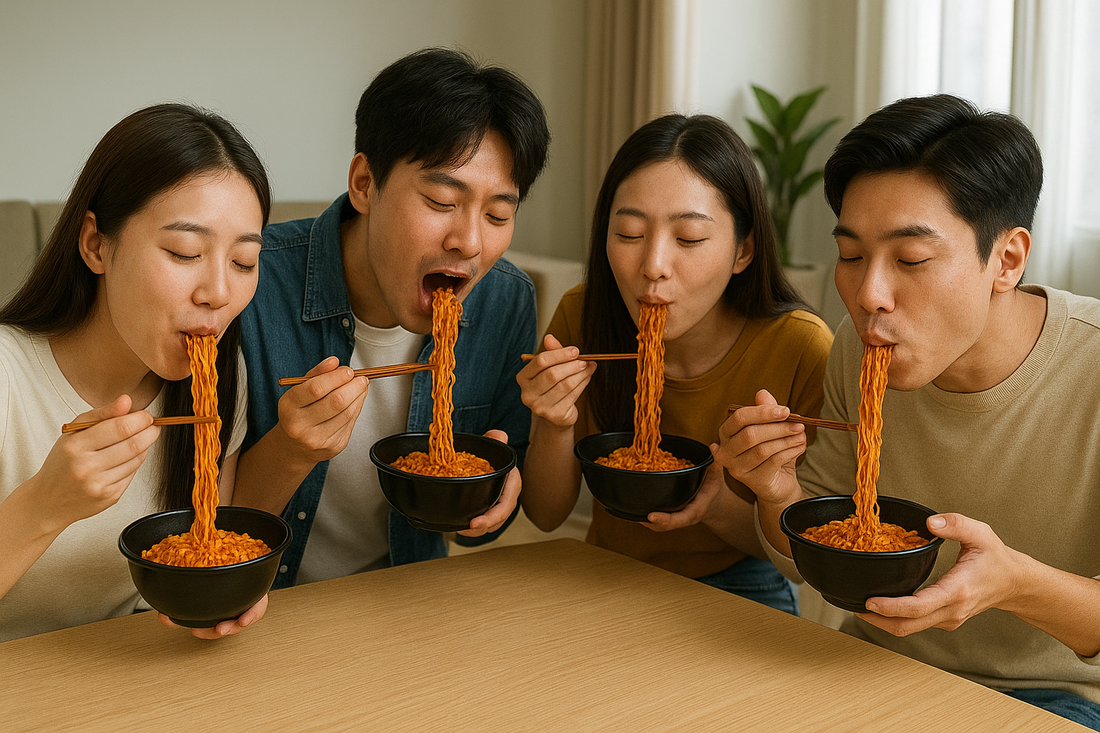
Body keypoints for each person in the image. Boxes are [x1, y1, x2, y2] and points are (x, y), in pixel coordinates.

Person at [721, 94, 1100, 728]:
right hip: (867, 661)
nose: (869, 295)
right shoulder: (860, 346)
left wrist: (1014, 584)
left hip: (1049, 694)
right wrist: (776, 489)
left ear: (1006, 259)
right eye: (850, 256)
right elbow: (816, 559)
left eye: (912, 260)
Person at [234, 47, 550, 588]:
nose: (470, 241)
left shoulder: (505, 301)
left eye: (498, 213)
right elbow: (208, 521)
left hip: (405, 597)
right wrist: (291, 448)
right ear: (364, 183)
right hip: (262, 603)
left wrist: (491, 494)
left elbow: (483, 525)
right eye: (441, 201)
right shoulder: (248, 287)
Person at [517, 114, 832, 614]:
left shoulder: (799, 346)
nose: (653, 264)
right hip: (605, 571)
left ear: (743, 250)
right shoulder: (584, 315)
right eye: (628, 233)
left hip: (740, 581)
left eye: (688, 239)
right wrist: (553, 422)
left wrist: (716, 504)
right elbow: (546, 514)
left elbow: (804, 555)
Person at [0, 103, 272, 641]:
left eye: (243, 262)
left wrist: (222, 592)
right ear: (97, 245)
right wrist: (43, 506)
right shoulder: (7, 379)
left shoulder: (217, 376)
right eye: (184, 251)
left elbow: (206, 545)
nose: (218, 293)